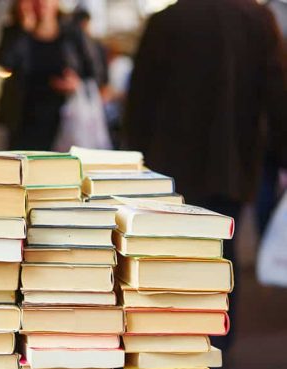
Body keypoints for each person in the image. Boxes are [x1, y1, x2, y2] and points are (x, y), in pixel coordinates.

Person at [123, 0, 287, 350]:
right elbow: (278, 96)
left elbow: (140, 101)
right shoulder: (259, 20)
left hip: (171, 164)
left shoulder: (167, 21)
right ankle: (216, 343)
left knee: (172, 253)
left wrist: (132, 161)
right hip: (234, 161)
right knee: (223, 249)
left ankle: (175, 341)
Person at [0, 1, 106, 151]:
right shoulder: (14, 31)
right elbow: (4, 62)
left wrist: (76, 83)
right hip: (23, 117)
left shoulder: (72, 32)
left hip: (64, 117)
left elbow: (96, 72)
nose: (41, 2)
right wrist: (24, 30)